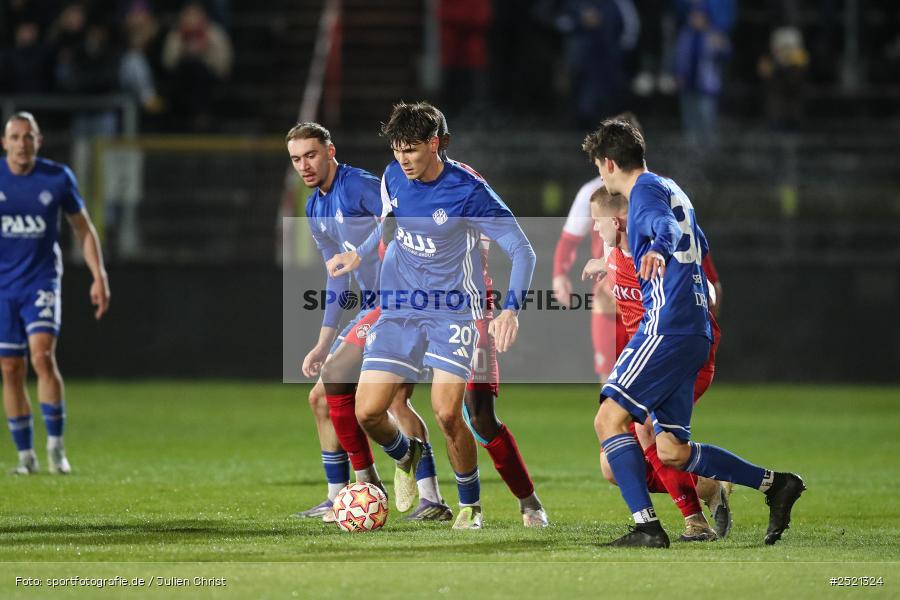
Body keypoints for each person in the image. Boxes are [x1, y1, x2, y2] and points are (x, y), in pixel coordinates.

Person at [582, 119, 804, 547]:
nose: (602, 176)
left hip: (666, 326)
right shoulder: (671, 186)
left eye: (599, 167)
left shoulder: (643, 191)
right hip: (693, 329)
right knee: (672, 451)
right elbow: (694, 241)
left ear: (609, 163)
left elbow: (661, 227)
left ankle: (647, 528)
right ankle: (775, 485)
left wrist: (659, 251)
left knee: (609, 418)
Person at [330, 106, 548, 527]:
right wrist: (359, 252)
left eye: (410, 150)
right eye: (396, 151)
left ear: (435, 143)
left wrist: (511, 310)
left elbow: (523, 250)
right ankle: (408, 453)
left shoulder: (468, 191)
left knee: (451, 412)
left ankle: (471, 506)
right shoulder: (394, 176)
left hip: (454, 313)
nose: (402, 160)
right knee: (368, 411)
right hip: (400, 309)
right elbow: (391, 223)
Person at [286, 122, 449, 522]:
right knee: (323, 398)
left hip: (405, 300)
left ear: (330, 151)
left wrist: (359, 252)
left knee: (368, 391)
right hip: (374, 306)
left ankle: (381, 482)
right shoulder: (314, 206)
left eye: (311, 155)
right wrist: (323, 341)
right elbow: (336, 275)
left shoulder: (357, 185)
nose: (304, 166)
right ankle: (345, 493)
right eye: (296, 159)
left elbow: (395, 220)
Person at [582, 186, 731, 541]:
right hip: (650, 357)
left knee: (645, 430)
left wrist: (700, 315)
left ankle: (693, 520)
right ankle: (709, 487)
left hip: (677, 355)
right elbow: (620, 274)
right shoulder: (618, 249)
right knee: (612, 466)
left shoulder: (660, 240)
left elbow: (706, 286)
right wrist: (603, 266)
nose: (593, 228)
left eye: (596, 221)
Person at [1, 112, 110, 475]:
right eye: (14, 137)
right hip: (3, 289)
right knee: (10, 368)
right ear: (4, 143)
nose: (21, 143)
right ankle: (24, 457)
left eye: (27, 136)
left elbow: (83, 228)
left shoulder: (57, 177)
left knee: (43, 357)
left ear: (39, 141)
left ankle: (56, 449)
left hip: (40, 282)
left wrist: (99, 275)